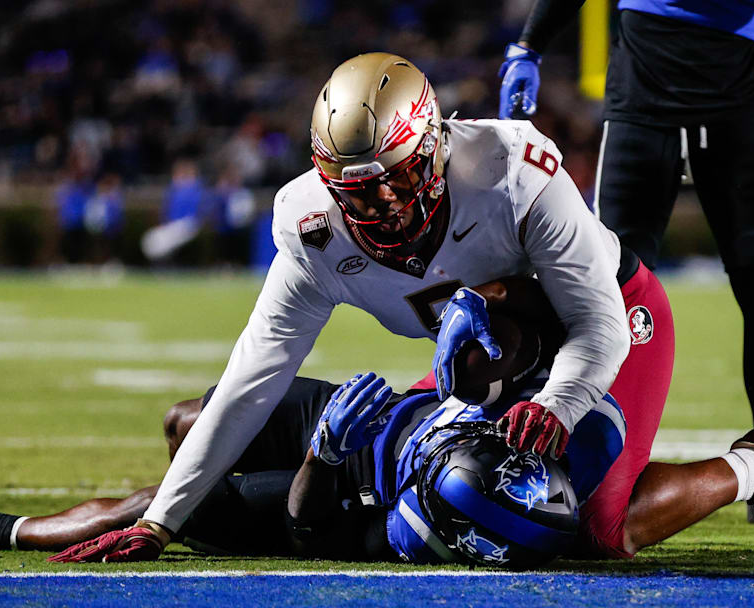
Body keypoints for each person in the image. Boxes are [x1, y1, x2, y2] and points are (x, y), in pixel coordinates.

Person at [44, 51, 643, 562]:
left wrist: (557, 405)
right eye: (357, 190)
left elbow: (598, 323)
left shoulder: (510, 170)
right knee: (461, 484)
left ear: (433, 147)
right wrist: (160, 523)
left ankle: (707, 476)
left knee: (593, 528)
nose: (383, 203)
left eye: (397, 177)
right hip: (480, 369)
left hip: (618, 315)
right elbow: (252, 379)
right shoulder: (314, 227)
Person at [0, 280, 754, 562]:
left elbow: (312, 524)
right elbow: (545, 389)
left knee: (181, 495)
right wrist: (481, 372)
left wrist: (323, 451)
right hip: (549, 343)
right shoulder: (552, 441)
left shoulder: (422, 515)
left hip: (352, 460)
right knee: (189, 423)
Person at [499, 1, 754, 456]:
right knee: (608, 283)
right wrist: (530, 44)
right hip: (645, 83)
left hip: (731, 88)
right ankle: (593, 452)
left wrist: (530, 45)